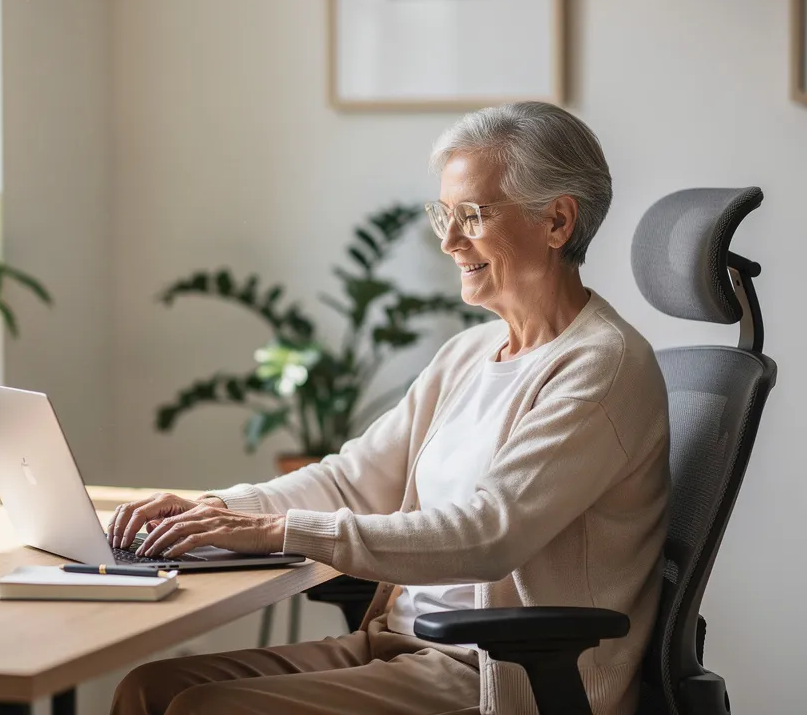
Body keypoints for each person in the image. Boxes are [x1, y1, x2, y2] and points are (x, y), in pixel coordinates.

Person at [108, 101, 670, 715]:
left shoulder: (602, 364)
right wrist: (220, 510)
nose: (451, 241)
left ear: (558, 221)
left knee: (204, 711)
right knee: (147, 690)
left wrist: (280, 531)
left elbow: (489, 535)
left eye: (473, 216)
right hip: (397, 645)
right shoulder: (470, 353)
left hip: (494, 676)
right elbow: (354, 478)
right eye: (444, 216)